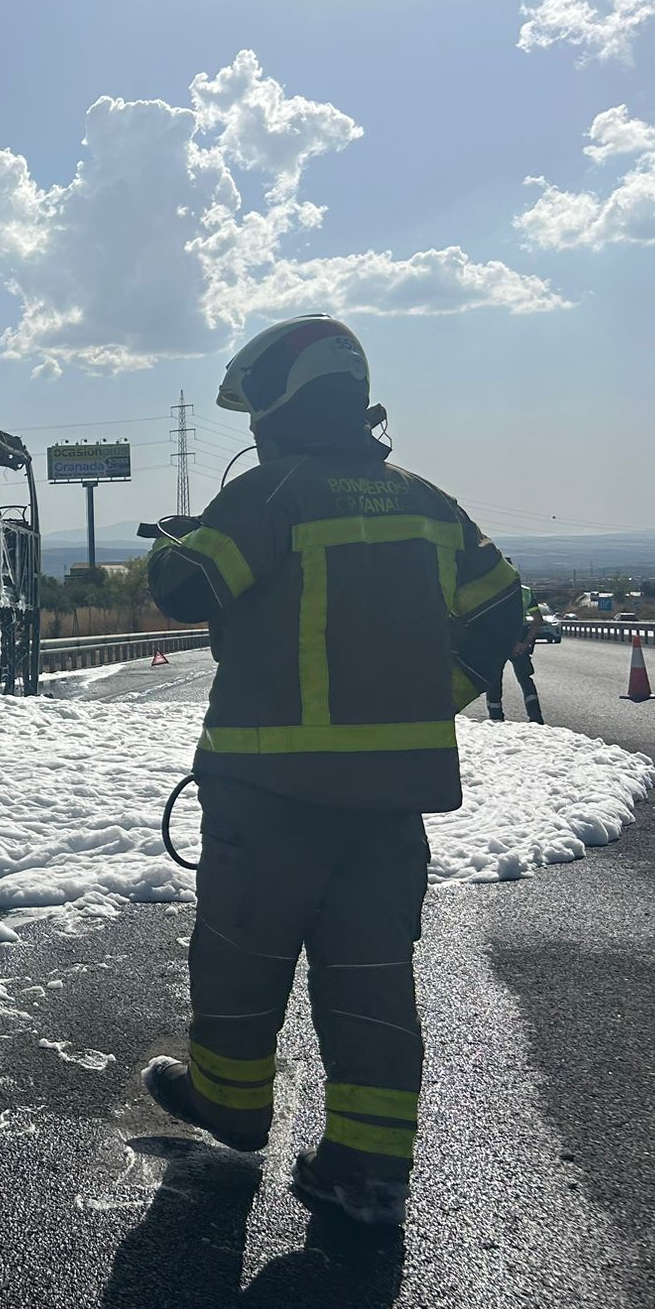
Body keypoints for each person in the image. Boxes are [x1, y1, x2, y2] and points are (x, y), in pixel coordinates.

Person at [137, 314, 523, 1229]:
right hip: (390, 805)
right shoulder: (430, 503)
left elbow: (186, 592)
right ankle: (368, 1168)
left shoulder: (273, 494)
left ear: (279, 402)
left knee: (240, 956)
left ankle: (230, 1104)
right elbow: (502, 606)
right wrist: (441, 695)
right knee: (372, 982)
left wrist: (173, 543)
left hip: (270, 798)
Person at [485, 581, 546, 723]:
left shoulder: (490, 590)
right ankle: (535, 717)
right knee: (525, 679)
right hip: (520, 638)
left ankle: (495, 718)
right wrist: (525, 642)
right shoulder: (525, 591)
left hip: (497, 639)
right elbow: (537, 619)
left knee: (494, 680)